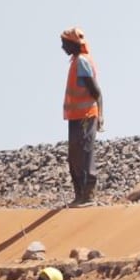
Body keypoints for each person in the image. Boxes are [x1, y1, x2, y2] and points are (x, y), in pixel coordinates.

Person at [61, 27, 102, 204]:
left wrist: (100, 114)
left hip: (85, 115)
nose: (62, 47)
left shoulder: (82, 62)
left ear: (73, 44)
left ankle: (87, 195)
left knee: (84, 153)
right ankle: (79, 195)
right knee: (75, 155)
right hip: (76, 116)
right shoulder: (76, 61)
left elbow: (96, 91)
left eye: (64, 43)